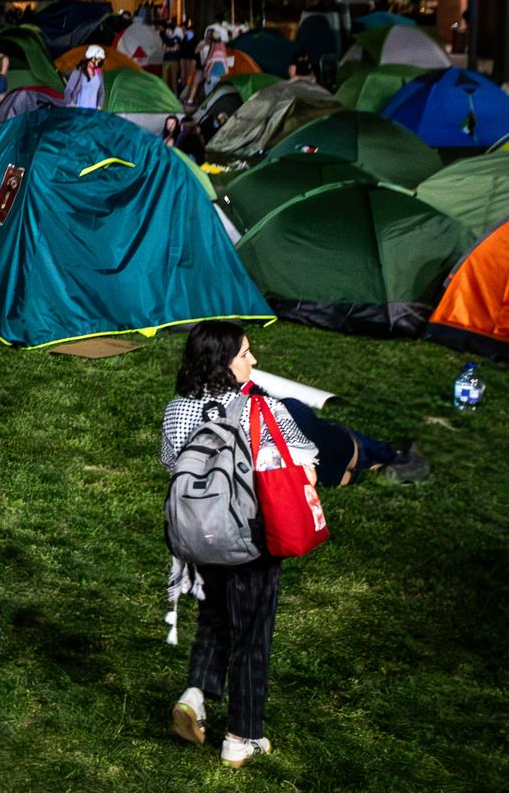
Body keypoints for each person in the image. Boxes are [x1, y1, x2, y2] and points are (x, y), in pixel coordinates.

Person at [163, 322, 317, 768]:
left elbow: (173, 465)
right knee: (252, 636)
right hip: (249, 541)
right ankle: (242, 736)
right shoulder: (263, 410)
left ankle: (196, 694)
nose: (254, 361)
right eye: (246, 353)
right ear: (224, 362)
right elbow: (302, 469)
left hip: (197, 536)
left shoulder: (178, 408)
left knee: (213, 615)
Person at [64, 45, 107, 109]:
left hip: (92, 113)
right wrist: (70, 104)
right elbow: (67, 90)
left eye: (99, 61)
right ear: (89, 57)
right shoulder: (78, 72)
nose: (97, 63)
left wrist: (99, 106)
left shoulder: (99, 73)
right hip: (78, 111)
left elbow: (102, 92)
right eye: (96, 60)